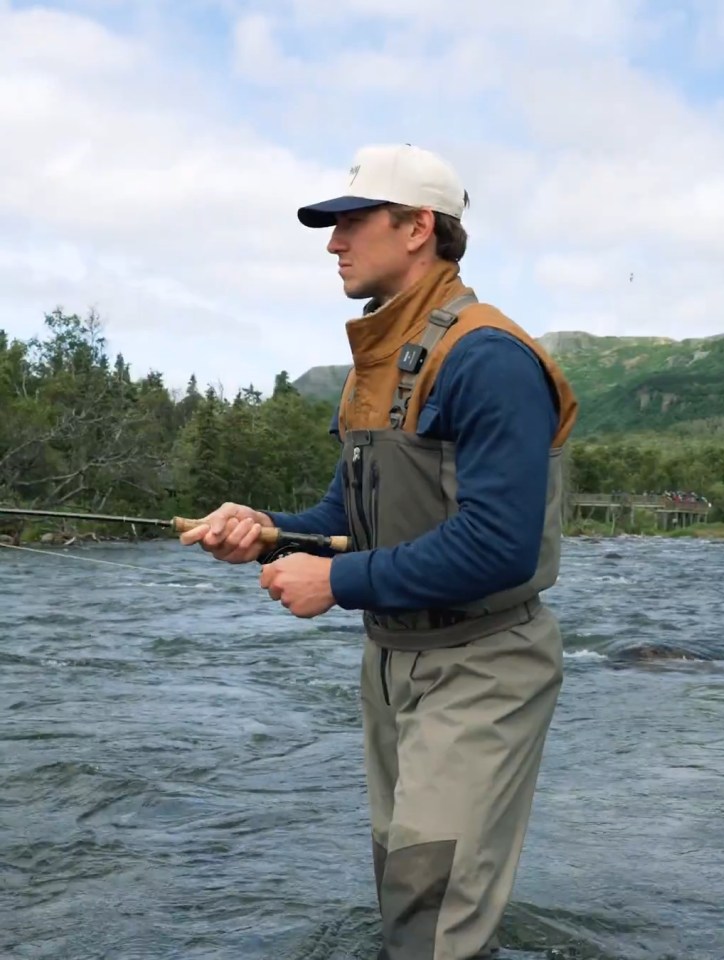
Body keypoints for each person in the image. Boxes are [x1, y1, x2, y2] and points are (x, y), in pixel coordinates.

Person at [180, 143, 578, 960]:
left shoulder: (489, 359)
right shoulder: (382, 360)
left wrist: (337, 580)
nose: (333, 243)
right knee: (410, 893)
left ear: (417, 228)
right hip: (394, 660)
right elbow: (347, 515)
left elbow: (500, 546)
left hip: (484, 663)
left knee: (431, 911)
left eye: (351, 222)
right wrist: (265, 529)